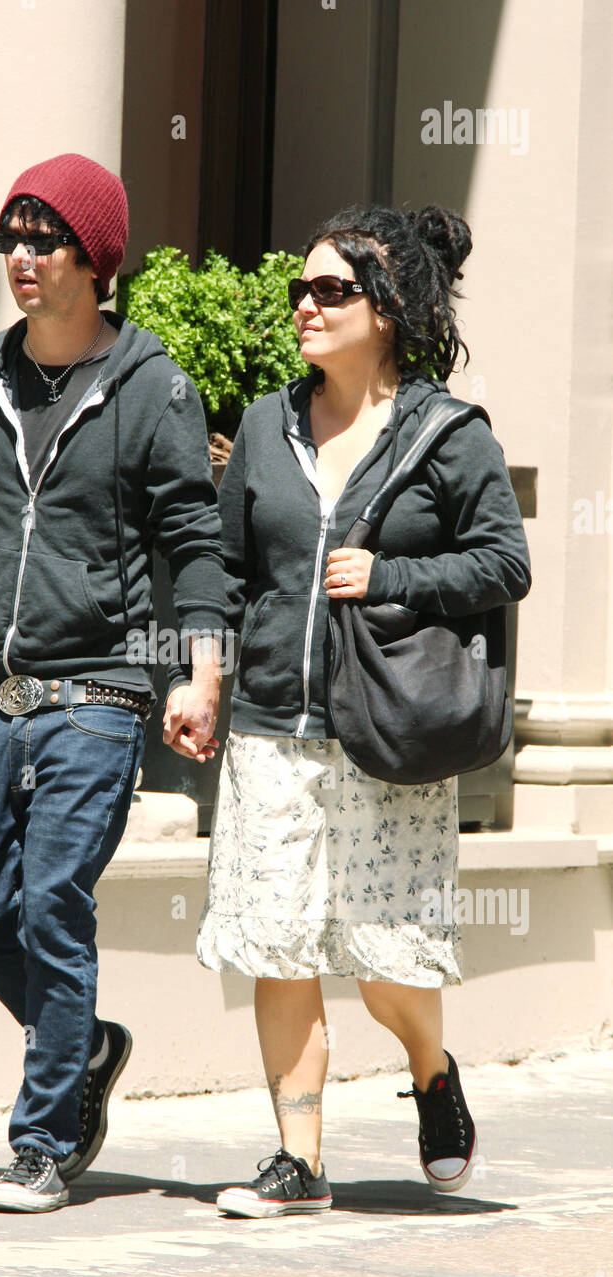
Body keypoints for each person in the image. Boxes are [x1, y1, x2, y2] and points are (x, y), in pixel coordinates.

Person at [0, 153, 225, 1213]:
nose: (19, 259)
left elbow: (193, 539)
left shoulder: (153, 385)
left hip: (101, 691)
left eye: (42, 241)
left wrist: (200, 669)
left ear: (94, 257)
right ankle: (83, 1044)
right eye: (9, 240)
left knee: (50, 901)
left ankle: (41, 1139)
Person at [198, 204, 531, 1218]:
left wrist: (389, 572)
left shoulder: (446, 432)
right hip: (267, 725)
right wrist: (202, 673)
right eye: (297, 289)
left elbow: (504, 562)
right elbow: (223, 565)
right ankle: (296, 1158)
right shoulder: (264, 424)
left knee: (386, 962)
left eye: (328, 290)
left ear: (384, 309)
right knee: (275, 945)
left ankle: (430, 1071)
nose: (304, 304)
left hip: (386, 733)